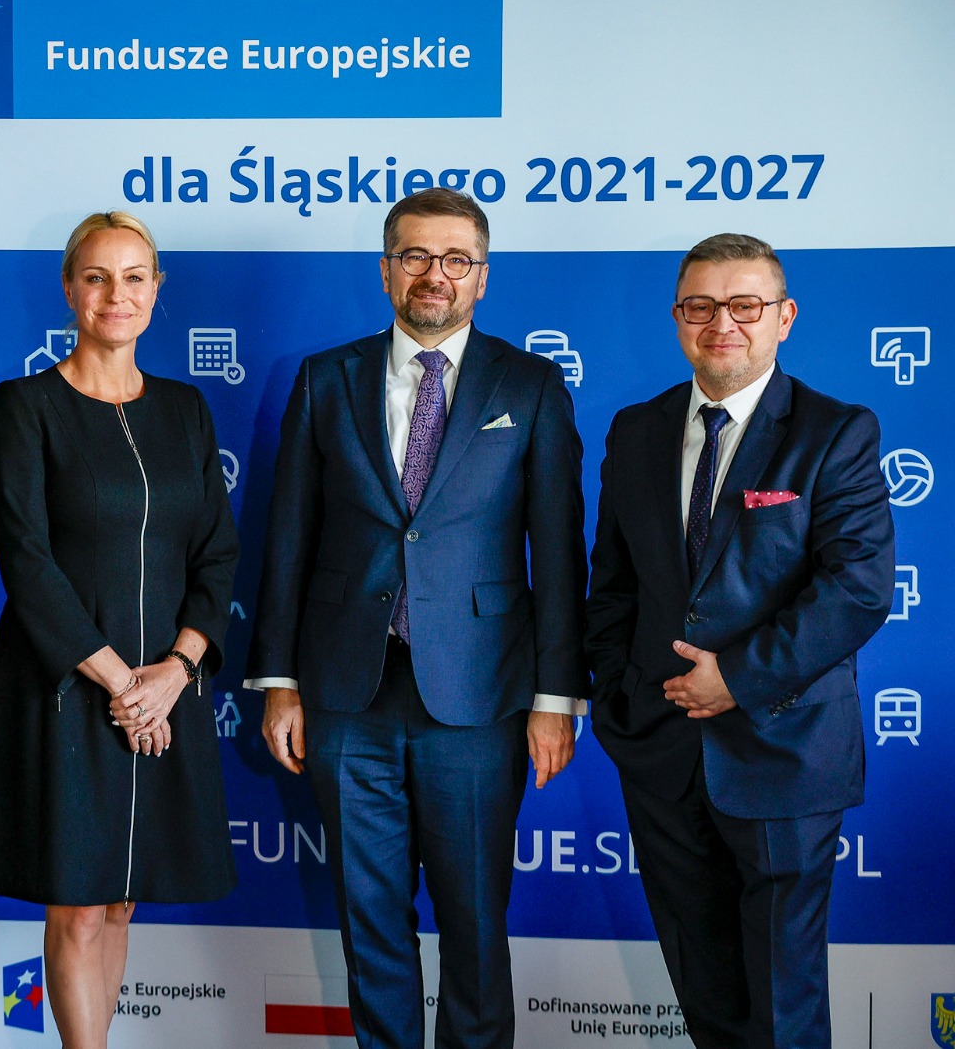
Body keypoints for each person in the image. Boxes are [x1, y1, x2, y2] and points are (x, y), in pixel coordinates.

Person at [247, 188, 588, 1048]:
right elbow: (287, 537)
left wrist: (556, 697)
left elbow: (558, 551)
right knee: (370, 924)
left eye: (456, 259)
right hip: (344, 697)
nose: (435, 274)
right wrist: (279, 681)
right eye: (415, 256)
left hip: (480, 697)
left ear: (483, 276)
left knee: (474, 923)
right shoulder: (326, 378)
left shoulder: (530, 385)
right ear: (386, 269)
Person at [585, 233, 894, 1048]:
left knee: (784, 1002)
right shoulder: (636, 430)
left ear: (783, 317)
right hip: (661, 750)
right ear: (677, 318)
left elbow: (858, 589)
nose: (721, 323)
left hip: (784, 750)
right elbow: (613, 583)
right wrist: (617, 699)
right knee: (705, 995)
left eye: (744, 305)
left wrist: (739, 678)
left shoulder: (834, 432)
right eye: (700, 306)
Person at [0, 211, 240, 1049]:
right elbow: (27, 562)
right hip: (69, 690)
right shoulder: (25, 406)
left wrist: (175, 672)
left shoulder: (186, 409)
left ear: (157, 290)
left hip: (167, 691)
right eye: (97, 277)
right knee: (79, 906)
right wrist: (123, 684)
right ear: (69, 289)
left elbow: (218, 554)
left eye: (135, 277)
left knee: (121, 901)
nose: (117, 294)